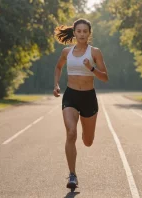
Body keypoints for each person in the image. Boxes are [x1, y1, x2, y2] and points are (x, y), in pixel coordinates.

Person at [52, 18, 109, 190]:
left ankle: (86, 129)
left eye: (85, 31)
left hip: (88, 98)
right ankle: (72, 175)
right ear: (75, 33)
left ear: (89, 34)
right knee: (71, 133)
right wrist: (56, 84)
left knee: (88, 141)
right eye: (79, 31)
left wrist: (91, 68)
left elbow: (105, 77)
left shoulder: (95, 52)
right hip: (71, 96)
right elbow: (58, 67)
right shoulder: (66, 52)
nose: (82, 34)